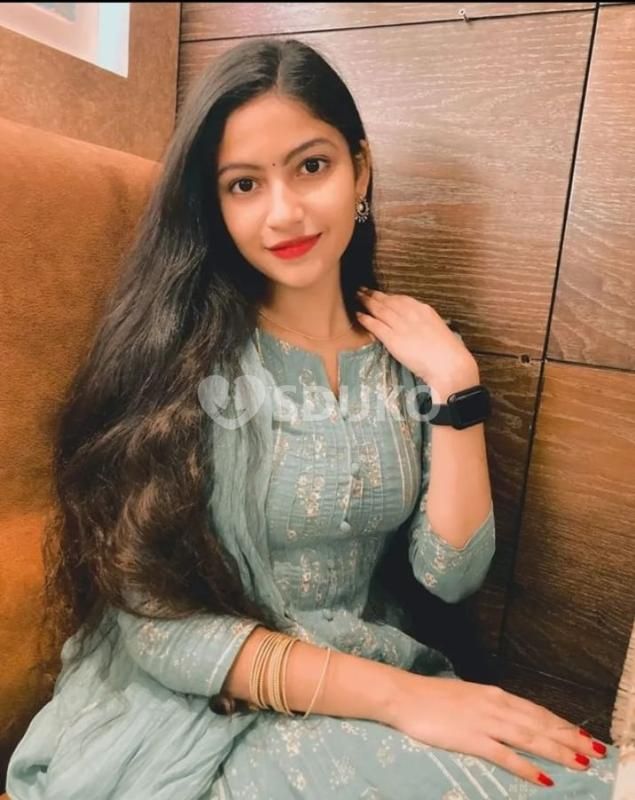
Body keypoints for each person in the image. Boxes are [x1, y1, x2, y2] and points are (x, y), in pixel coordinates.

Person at [6, 37, 618, 800]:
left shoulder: (405, 355)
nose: (284, 212)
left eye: (311, 167)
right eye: (243, 185)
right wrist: (405, 699)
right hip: (193, 706)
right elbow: (157, 623)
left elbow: (449, 576)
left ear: (359, 170)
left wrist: (457, 389)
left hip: (371, 682)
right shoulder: (172, 357)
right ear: (213, 204)